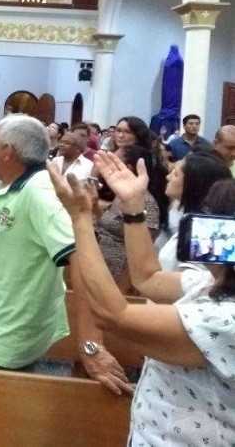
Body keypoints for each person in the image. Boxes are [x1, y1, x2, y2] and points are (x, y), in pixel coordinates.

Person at [0, 114, 130, 392]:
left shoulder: (39, 193)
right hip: (0, 316)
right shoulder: (9, 184)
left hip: (15, 327)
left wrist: (91, 345)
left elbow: (82, 261)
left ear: (8, 152)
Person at [51, 152, 235, 446]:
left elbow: (112, 315)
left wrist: (81, 219)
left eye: (211, 220)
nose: (199, 230)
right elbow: (147, 278)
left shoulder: (226, 319)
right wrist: (133, 207)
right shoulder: (209, 283)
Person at [95, 145, 161, 287]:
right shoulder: (120, 195)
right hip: (102, 268)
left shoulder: (146, 202)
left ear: (128, 168)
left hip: (120, 277)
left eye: (114, 160)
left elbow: (143, 252)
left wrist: (125, 287)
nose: (108, 164)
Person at [155, 151, 232, 270]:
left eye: (175, 174)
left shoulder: (205, 235)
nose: (168, 177)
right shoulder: (183, 214)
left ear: (192, 184)